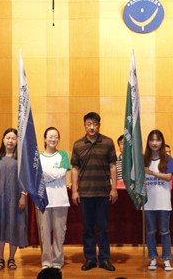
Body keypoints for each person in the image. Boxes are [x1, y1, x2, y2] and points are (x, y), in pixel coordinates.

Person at [70, 112, 118, 272]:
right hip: (85, 193)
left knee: (103, 228)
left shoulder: (108, 142)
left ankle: (104, 259)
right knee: (87, 228)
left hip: (103, 193)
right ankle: (90, 259)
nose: (92, 127)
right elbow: (75, 168)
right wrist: (74, 190)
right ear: (84, 125)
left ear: (99, 125)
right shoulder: (78, 144)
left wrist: (114, 188)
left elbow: (113, 166)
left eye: (95, 124)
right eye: (89, 124)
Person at [0, 127, 27, 271]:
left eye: (13, 138)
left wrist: (23, 196)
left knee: (14, 226)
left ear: (17, 141)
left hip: (16, 199)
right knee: (0, 226)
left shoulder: (21, 159)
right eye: (8, 138)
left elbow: (25, 179)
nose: (10, 141)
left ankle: (11, 258)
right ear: (3, 140)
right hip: (0, 198)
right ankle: (0, 258)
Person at [143, 130, 173, 272]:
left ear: (162, 142)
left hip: (163, 202)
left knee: (164, 232)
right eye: (152, 140)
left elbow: (168, 177)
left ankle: (166, 258)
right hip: (148, 203)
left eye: (157, 140)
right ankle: (152, 257)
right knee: (150, 232)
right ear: (148, 142)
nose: (154, 143)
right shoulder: (143, 159)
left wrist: (152, 172)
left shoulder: (167, 159)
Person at [39, 126, 71, 270]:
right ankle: (46, 261)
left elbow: (60, 174)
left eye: (56, 137)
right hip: (43, 200)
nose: (53, 139)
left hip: (60, 200)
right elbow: (40, 176)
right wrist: (51, 171)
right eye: (50, 136)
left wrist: (43, 171)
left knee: (59, 233)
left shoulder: (63, 155)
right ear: (45, 139)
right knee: (44, 233)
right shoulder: (38, 157)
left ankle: (57, 261)